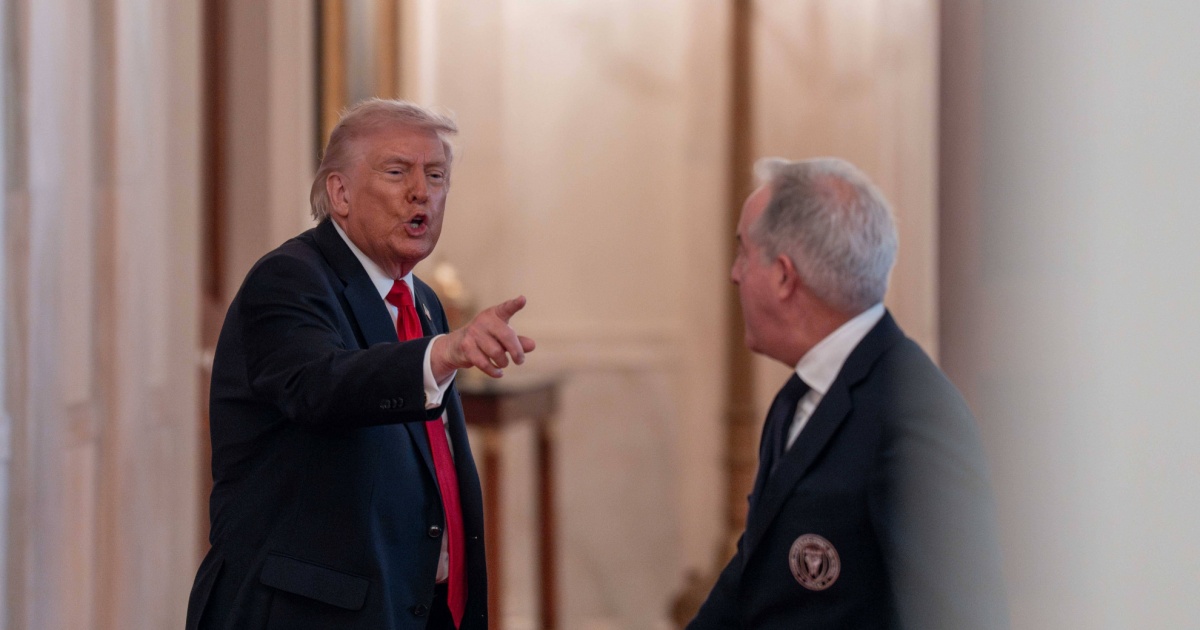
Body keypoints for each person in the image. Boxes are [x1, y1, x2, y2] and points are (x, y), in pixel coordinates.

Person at [186, 98, 534, 630]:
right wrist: (442, 353)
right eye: (397, 172)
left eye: (435, 175)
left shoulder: (423, 301)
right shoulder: (289, 279)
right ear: (340, 193)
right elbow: (320, 385)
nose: (421, 192)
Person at [687, 158, 1008, 628]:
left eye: (743, 254)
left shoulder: (915, 415)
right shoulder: (797, 396)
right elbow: (754, 578)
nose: (735, 274)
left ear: (783, 276)